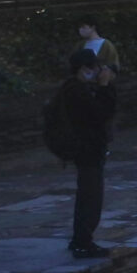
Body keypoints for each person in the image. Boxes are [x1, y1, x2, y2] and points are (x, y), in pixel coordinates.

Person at [44, 48, 118, 258]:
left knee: (89, 195)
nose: (98, 71)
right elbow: (101, 114)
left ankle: (82, 238)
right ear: (84, 69)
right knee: (90, 197)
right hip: (86, 150)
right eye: (94, 67)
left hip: (88, 149)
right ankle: (82, 241)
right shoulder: (76, 91)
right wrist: (104, 86)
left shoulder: (78, 88)